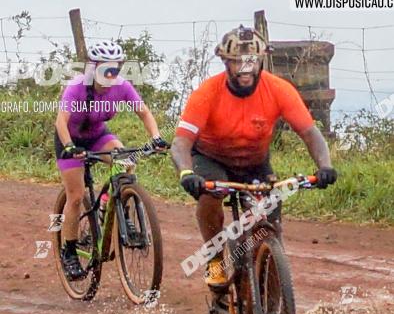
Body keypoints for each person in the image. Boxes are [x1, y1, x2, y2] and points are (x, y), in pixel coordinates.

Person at [171, 25, 337, 287]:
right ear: (225, 62)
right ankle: (215, 260)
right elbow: (181, 142)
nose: (244, 69)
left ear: (261, 60)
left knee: (269, 224)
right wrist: (187, 173)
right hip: (211, 158)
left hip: (255, 164)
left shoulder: (279, 89)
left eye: (251, 61)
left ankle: (272, 297)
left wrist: (325, 166)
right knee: (209, 194)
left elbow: (310, 133)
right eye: (236, 63)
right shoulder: (207, 92)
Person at [55, 40, 168, 280]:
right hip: (71, 141)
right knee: (76, 196)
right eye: (105, 69)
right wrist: (69, 147)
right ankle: (69, 251)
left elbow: (144, 112)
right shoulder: (77, 87)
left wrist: (156, 137)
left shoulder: (122, 87)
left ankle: (111, 202)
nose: (110, 75)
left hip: (97, 136)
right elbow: (61, 122)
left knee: (126, 160)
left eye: (114, 69)